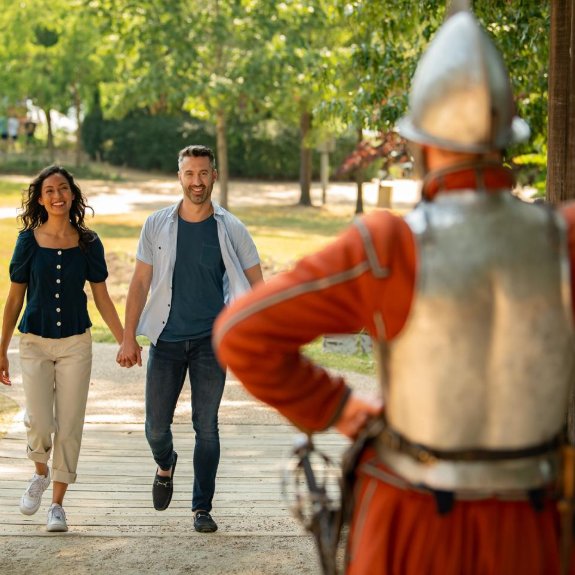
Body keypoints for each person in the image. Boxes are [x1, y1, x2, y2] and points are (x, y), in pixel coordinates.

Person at [214, 9, 575, 575]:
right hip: (536, 524)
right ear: (505, 140)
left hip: (414, 520)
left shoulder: (390, 248)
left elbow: (241, 333)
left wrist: (339, 409)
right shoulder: (564, 241)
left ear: (420, 146)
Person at [116, 144, 263, 533]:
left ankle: (202, 507)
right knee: (155, 428)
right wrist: (128, 337)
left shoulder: (232, 228)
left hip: (211, 343)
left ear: (214, 175)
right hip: (165, 341)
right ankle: (165, 465)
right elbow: (140, 281)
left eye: (203, 173)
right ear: (179, 177)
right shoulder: (157, 224)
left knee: (207, 425)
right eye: (189, 174)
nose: (197, 182)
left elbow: (256, 285)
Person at [0, 165, 124, 533]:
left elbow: (101, 296)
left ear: (72, 195)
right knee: (39, 421)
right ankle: (39, 473)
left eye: (63, 189)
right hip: (34, 343)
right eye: (50, 190)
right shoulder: (27, 241)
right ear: (40, 198)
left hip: (75, 343)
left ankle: (57, 505)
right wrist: (1, 348)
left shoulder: (88, 243)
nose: (57, 196)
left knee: (69, 426)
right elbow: (13, 300)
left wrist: (124, 339)